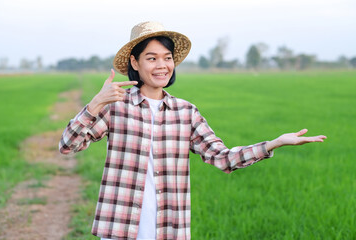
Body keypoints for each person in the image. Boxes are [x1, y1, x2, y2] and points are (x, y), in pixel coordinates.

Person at [59, 21, 326, 240]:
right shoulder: (116, 106)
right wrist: (95, 103)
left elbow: (222, 158)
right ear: (135, 62)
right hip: (121, 227)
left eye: (166, 58)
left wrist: (272, 144)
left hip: (169, 228)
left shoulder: (186, 112)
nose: (161, 65)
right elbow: (68, 146)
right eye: (151, 58)